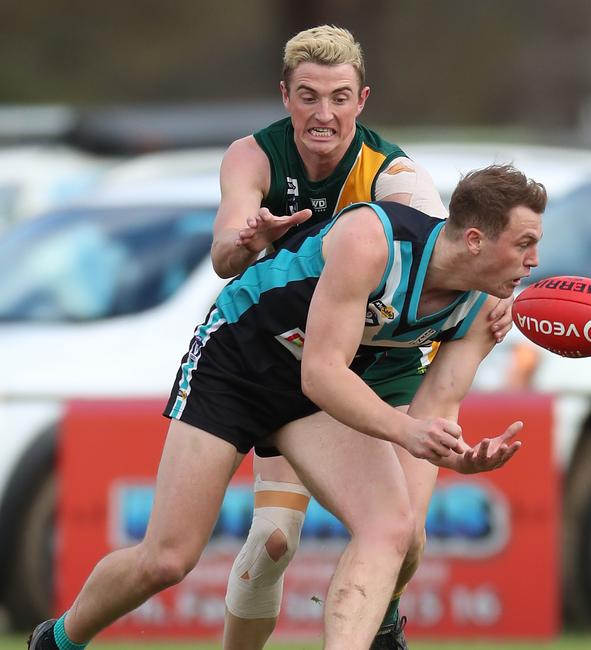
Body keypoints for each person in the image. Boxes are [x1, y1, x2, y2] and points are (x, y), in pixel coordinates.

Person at [28, 163, 545, 650]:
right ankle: (57, 640)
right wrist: (406, 432)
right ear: (475, 240)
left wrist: (456, 455)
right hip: (239, 362)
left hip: (308, 392)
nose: (534, 261)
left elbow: (436, 408)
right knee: (166, 559)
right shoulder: (374, 241)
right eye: (524, 244)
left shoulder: (486, 308)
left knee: (393, 529)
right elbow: (322, 372)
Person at [212, 25, 514, 650]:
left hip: (385, 365)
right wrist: (250, 242)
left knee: (408, 540)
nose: (325, 114)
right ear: (287, 97)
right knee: (273, 540)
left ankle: (379, 631)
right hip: (296, 358)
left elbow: (446, 253)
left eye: (340, 97)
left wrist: (487, 294)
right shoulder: (256, 157)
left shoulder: (395, 176)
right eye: (309, 96)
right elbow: (222, 258)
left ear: (361, 99)